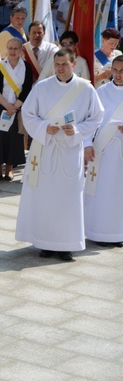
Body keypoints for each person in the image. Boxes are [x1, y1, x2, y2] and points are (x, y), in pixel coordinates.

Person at [16, 49, 104, 261]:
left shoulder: (85, 89)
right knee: (45, 198)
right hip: (45, 150)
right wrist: (45, 127)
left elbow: (96, 117)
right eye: (57, 64)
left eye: (65, 64)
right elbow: (28, 114)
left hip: (69, 151)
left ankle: (66, 245)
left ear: (74, 64)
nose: (61, 68)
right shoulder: (42, 87)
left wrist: (77, 131)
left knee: (68, 199)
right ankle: (45, 243)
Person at [84, 55, 123, 248]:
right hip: (103, 152)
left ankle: (118, 232)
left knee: (118, 193)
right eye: (115, 70)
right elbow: (91, 121)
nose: (118, 75)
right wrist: (86, 144)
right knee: (102, 193)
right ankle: (97, 231)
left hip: (121, 151)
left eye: (122, 71)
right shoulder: (102, 92)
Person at [0, 38, 33, 180]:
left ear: (20, 50)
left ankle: (9, 169)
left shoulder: (26, 67)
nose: (12, 51)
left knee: (13, 138)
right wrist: (7, 106)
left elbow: (27, 88)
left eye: (15, 48)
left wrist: (15, 106)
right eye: (10, 48)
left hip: (16, 108)